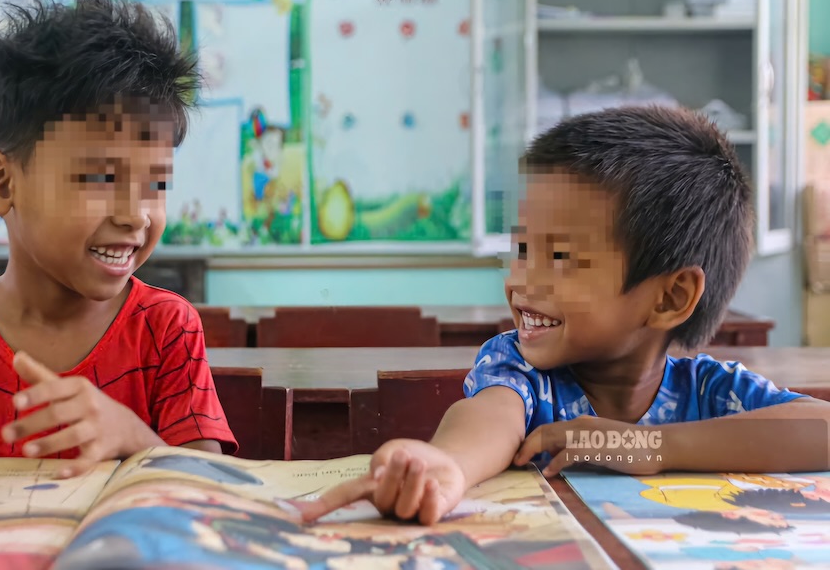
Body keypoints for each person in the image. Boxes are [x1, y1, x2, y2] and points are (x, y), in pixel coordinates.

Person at [296, 106, 830, 525]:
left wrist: (648, 446)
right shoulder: (522, 370)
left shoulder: (709, 391)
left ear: (670, 298)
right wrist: (449, 464)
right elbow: (491, 416)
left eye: (558, 257)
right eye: (521, 249)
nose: (522, 280)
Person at [0, 0, 236, 478]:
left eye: (156, 183)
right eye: (102, 177)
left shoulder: (166, 327)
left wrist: (134, 438)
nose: (136, 215)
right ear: (0, 182)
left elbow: (213, 491)